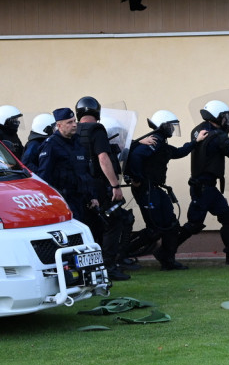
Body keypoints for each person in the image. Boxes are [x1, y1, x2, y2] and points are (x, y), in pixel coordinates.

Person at [125, 110, 204, 271]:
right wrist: (137, 179)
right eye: (171, 126)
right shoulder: (153, 141)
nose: (173, 130)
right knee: (155, 229)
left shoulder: (160, 143)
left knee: (171, 225)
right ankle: (120, 254)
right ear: (163, 126)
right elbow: (135, 157)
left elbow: (177, 152)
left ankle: (168, 260)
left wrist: (195, 142)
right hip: (146, 190)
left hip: (155, 189)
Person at [73, 96, 131, 280]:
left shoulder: (72, 130)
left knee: (90, 226)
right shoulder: (97, 130)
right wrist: (115, 185)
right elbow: (103, 158)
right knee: (113, 222)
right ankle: (109, 267)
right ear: (96, 112)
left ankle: (91, 269)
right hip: (98, 185)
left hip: (80, 186)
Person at [178, 100, 229, 265]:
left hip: (204, 186)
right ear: (215, 117)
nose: (227, 121)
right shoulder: (219, 136)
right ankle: (165, 251)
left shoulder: (198, 129)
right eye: (224, 117)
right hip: (204, 187)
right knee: (194, 223)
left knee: (227, 217)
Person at [37, 108, 96, 222]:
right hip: (64, 200)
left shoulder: (78, 142)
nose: (74, 125)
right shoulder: (51, 145)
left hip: (82, 199)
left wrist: (92, 196)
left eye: (74, 121)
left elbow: (85, 172)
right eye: (69, 122)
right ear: (59, 126)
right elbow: (44, 175)